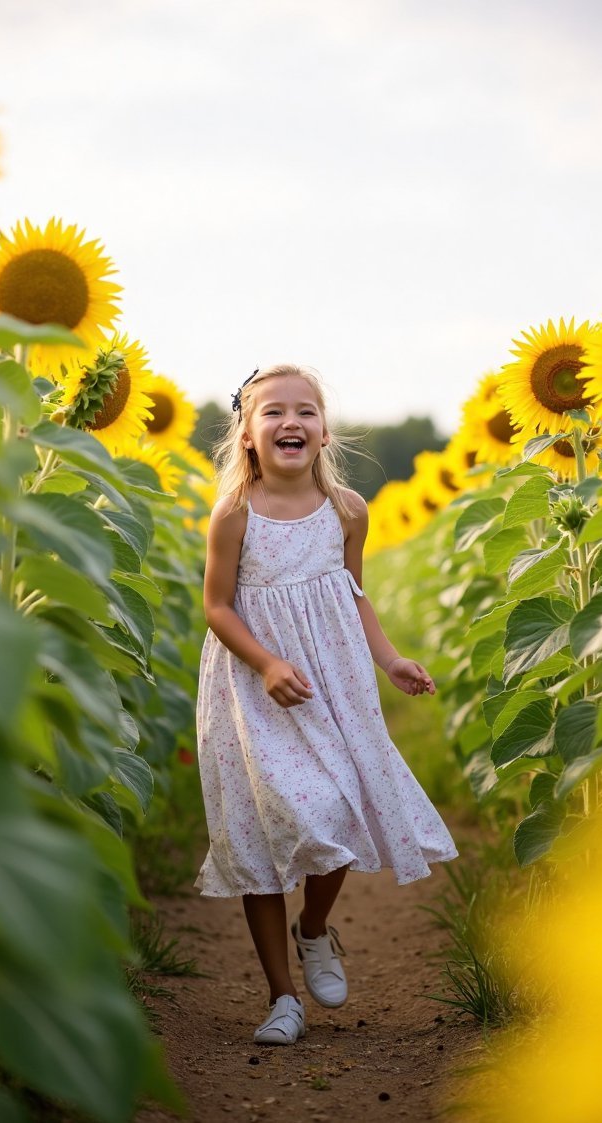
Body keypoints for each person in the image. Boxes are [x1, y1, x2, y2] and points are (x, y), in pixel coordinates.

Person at [194, 363, 458, 1046]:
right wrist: (266, 661)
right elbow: (217, 605)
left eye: (305, 410)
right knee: (264, 832)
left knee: (337, 808)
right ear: (247, 435)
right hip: (256, 687)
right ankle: (282, 996)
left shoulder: (347, 510)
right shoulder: (234, 513)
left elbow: (353, 596)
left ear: (324, 429)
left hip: (331, 685)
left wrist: (391, 657)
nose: (291, 422)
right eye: (274, 412)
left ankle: (313, 930)